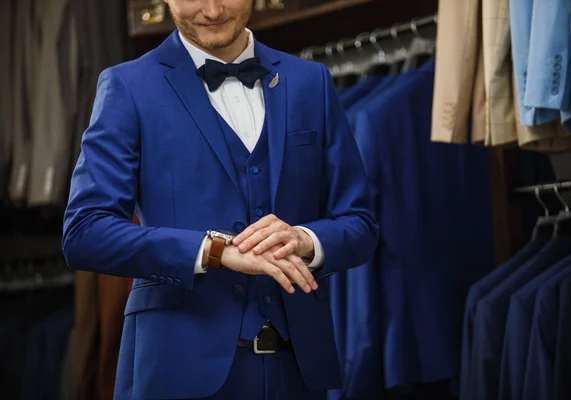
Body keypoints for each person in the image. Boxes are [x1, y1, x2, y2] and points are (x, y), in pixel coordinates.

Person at [61, 0, 378, 398]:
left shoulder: (310, 82)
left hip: (298, 371)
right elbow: (85, 233)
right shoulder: (128, 87)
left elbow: (361, 223)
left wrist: (305, 240)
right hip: (177, 371)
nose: (211, 10)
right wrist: (212, 250)